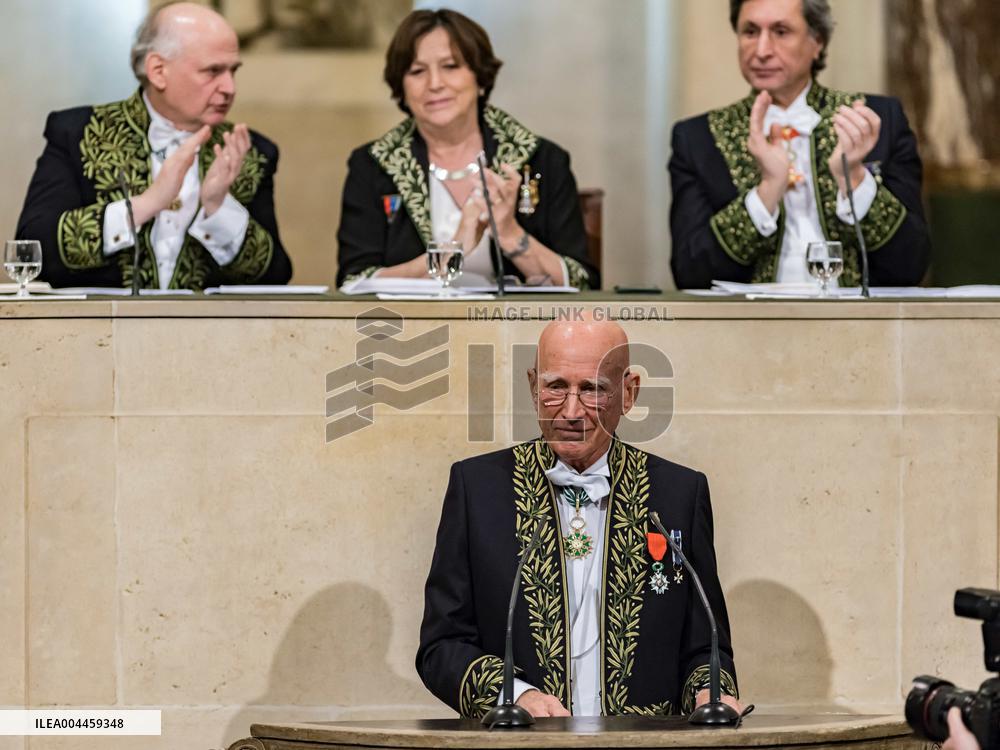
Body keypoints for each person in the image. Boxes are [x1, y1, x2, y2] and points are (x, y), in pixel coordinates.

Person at [416, 315, 739, 717]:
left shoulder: (679, 494)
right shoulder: (477, 489)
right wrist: (515, 696)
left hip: (644, 743)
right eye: (555, 387)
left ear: (628, 393)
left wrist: (710, 693)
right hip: (522, 742)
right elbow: (442, 645)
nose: (571, 411)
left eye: (592, 389)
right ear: (533, 387)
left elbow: (706, 645)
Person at [16, 2, 291, 290]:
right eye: (213, 71)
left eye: (233, 71)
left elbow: (275, 277)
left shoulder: (250, 152)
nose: (229, 88)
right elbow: (30, 253)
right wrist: (147, 203)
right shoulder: (78, 134)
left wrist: (218, 208)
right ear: (158, 70)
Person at [668, 0, 930, 290]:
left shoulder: (874, 120)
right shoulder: (698, 138)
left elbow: (911, 266)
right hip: (748, 318)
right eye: (750, 32)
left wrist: (854, 179)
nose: (762, 51)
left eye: (781, 32)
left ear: (817, 41)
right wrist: (766, 192)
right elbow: (689, 274)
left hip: (859, 317)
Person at [336, 9, 598, 290]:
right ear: (401, 87)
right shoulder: (373, 165)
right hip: (408, 321)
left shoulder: (542, 160)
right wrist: (454, 247)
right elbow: (354, 281)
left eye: (451, 66)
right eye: (417, 71)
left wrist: (509, 234)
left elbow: (582, 283)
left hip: (511, 320)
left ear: (479, 77)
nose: (435, 84)